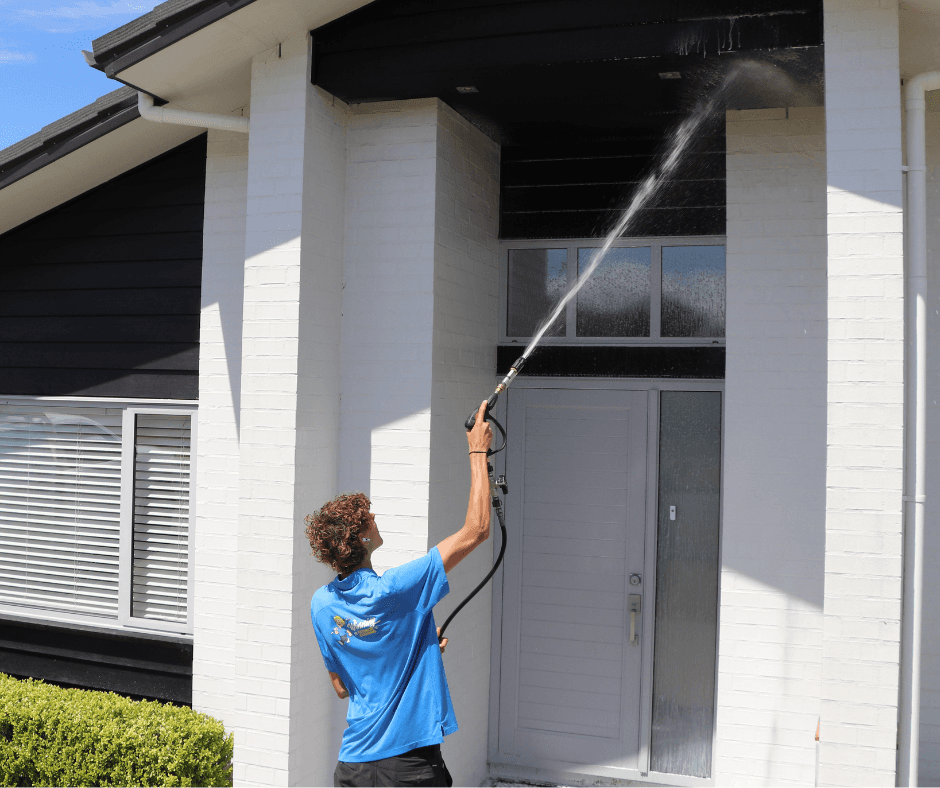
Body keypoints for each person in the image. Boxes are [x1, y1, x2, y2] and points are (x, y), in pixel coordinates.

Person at [306, 401, 494, 787]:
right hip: (409, 768)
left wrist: (414, 645)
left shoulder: (322, 604)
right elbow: (476, 529)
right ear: (360, 537)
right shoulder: (396, 590)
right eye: (368, 516)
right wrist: (478, 450)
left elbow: (342, 687)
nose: (374, 517)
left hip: (353, 766)